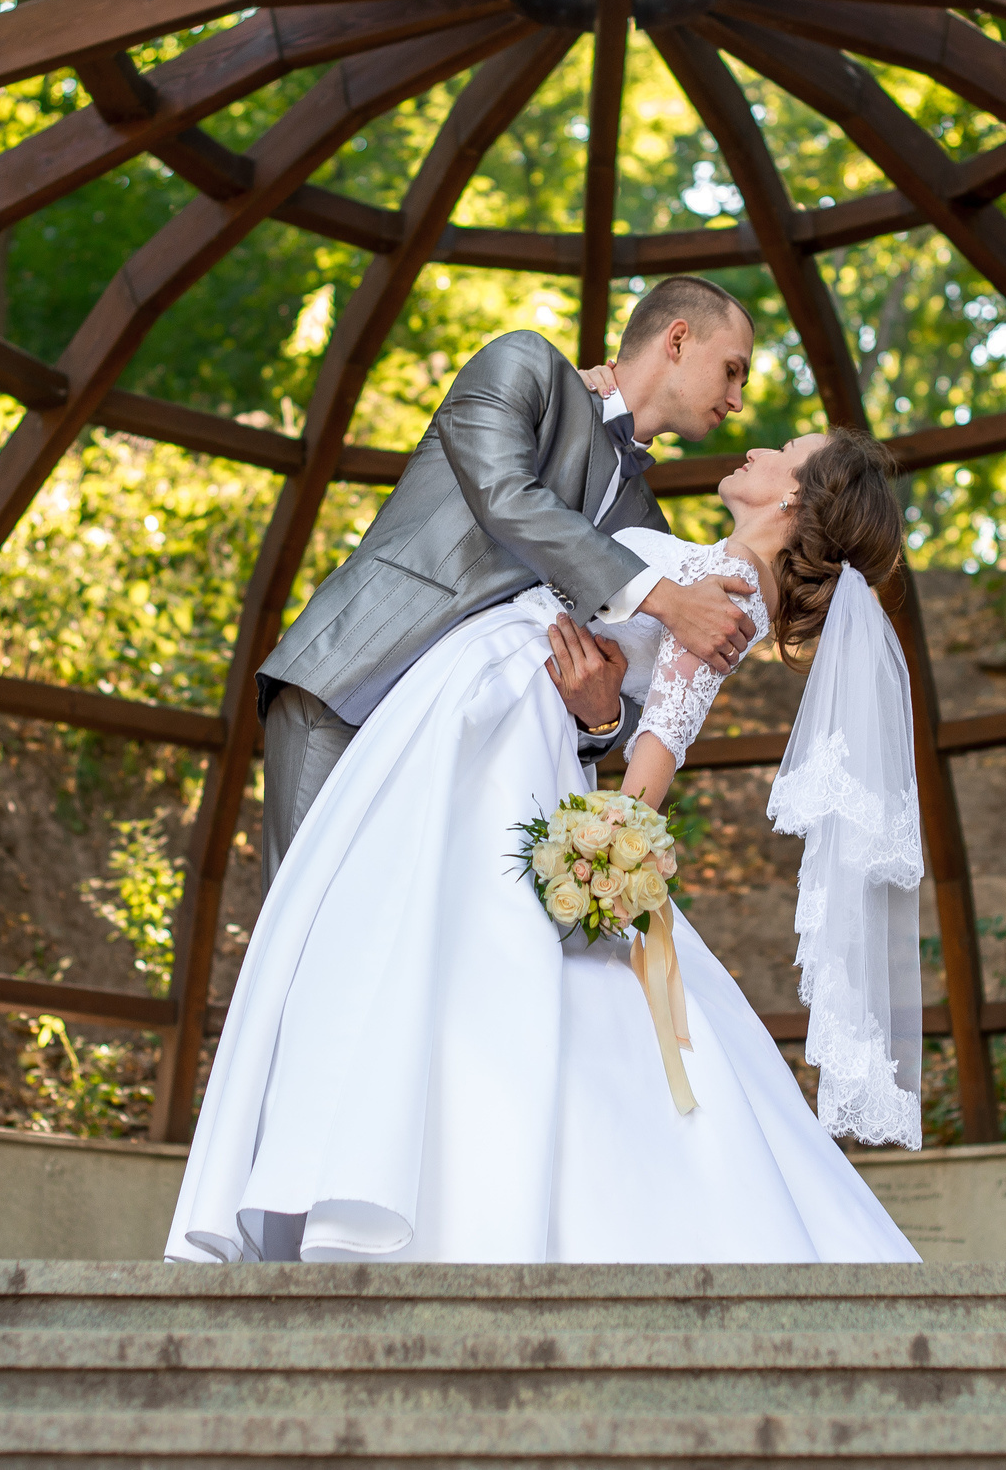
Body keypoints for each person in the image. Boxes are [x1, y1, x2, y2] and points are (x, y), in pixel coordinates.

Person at [167, 408, 928, 1263]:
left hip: (507, 734)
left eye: (785, 450)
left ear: (794, 495)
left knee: (446, 941)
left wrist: (608, 854)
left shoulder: (733, 584)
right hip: (502, 713)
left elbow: (665, 735)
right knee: (443, 941)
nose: (758, 446)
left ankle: (415, 1183)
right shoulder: (724, 568)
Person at [252, 276, 764, 889]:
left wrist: (601, 718)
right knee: (309, 924)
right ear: (677, 340)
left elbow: (634, 695)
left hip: (464, 756)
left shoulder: (649, 530)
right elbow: (505, 497)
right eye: (732, 371)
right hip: (359, 684)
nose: (737, 400)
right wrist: (666, 599)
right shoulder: (527, 364)